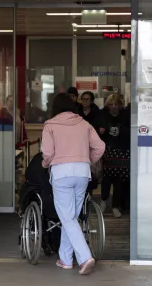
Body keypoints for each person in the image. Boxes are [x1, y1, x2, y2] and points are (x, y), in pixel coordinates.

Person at [41, 93, 105, 275]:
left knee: (67, 218)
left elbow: (47, 152)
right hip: (82, 173)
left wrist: (46, 164)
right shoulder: (84, 124)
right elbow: (100, 147)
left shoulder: (50, 125)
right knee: (71, 218)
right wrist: (87, 161)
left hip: (61, 173)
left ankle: (85, 257)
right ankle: (66, 259)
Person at [95, 94, 130, 217]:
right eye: (111, 104)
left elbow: (130, 131)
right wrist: (101, 131)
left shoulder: (125, 116)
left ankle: (115, 206)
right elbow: (96, 130)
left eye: (116, 104)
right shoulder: (102, 115)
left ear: (120, 105)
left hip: (121, 150)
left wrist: (121, 131)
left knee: (119, 180)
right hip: (107, 149)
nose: (113, 107)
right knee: (106, 179)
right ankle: (104, 201)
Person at [78, 91, 101, 193]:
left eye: (87, 99)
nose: (84, 101)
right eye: (83, 99)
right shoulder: (77, 111)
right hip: (78, 143)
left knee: (90, 170)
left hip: (91, 144)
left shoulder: (96, 112)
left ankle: (89, 193)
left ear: (91, 101)